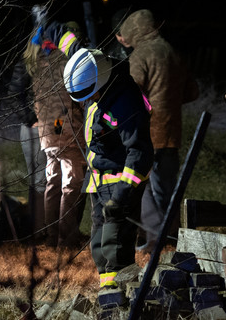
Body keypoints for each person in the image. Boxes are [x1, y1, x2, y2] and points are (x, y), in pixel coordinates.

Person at [63, 48, 153, 301]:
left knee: (116, 246)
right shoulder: (97, 78)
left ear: (101, 81)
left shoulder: (126, 102)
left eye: (89, 95)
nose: (86, 101)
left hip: (120, 185)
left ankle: (122, 299)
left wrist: (122, 196)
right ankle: (110, 294)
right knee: (100, 246)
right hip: (100, 183)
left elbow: (141, 154)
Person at [118, 9, 198, 253]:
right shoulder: (172, 52)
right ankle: (172, 239)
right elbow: (192, 91)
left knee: (144, 189)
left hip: (148, 132)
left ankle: (155, 241)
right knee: (167, 190)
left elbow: (131, 92)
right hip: (172, 131)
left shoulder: (140, 55)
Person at [23, 20, 88, 248]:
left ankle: (51, 238)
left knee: (53, 182)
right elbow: (79, 97)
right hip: (67, 130)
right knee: (71, 186)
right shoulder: (70, 62)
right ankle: (66, 239)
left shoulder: (40, 63)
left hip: (48, 133)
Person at [3, 56, 47, 241]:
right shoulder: (31, 63)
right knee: (40, 180)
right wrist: (31, 119)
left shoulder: (33, 62)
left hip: (45, 125)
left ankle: (44, 230)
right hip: (35, 127)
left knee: (42, 180)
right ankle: (40, 232)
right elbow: (13, 95)